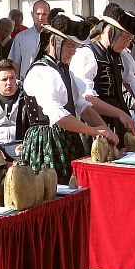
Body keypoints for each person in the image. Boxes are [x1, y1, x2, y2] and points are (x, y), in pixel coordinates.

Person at [20, 13, 114, 183]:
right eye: (69, 46)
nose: (73, 52)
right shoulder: (41, 72)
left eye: (75, 48)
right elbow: (58, 117)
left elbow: (83, 108)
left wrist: (103, 128)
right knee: (51, 190)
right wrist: (93, 131)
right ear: (53, 41)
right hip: (46, 143)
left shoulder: (66, 72)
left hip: (68, 139)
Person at [71, 3, 135, 148]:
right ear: (109, 32)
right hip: (94, 122)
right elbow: (86, 99)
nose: (127, 43)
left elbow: (134, 87)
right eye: (124, 38)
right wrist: (119, 113)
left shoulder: (122, 57)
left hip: (119, 121)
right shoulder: (87, 55)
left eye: (129, 39)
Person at [8, 0, 50, 79]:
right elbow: (15, 63)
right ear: (32, 14)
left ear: (49, 15)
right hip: (25, 83)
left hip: (49, 82)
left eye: (44, 14)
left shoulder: (55, 37)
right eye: (38, 14)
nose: (40, 17)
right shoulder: (21, 37)